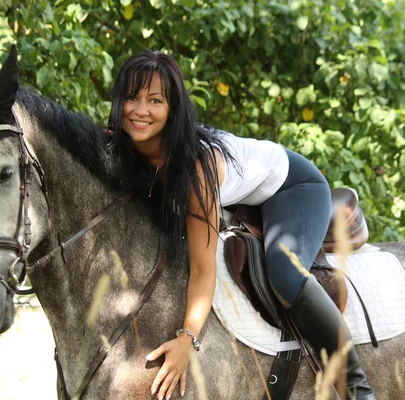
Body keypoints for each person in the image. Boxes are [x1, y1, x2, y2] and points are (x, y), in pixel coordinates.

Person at [107, 50, 376, 400]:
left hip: (292, 185)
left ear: (172, 110)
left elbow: (204, 272)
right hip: (244, 195)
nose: (140, 110)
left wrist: (188, 340)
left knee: (286, 273)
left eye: (155, 100)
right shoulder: (120, 142)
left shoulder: (195, 171)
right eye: (132, 98)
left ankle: (358, 387)